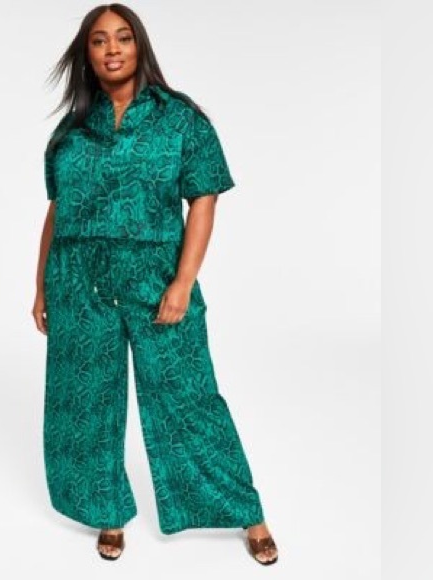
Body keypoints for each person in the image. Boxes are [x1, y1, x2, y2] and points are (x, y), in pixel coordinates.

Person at [32, 3, 279, 566]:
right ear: (87, 54)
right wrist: (42, 286)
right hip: (78, 284)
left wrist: (183, 282)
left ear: (139, 46)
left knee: (189, 397)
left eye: (123, 38)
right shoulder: (71, 131)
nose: (112, 49)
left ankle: (248, 512)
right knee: (86, 402)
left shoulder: (181, 120)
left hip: (156, 278)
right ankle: (108, 511)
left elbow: (204, 201)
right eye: (99, 40)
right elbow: (57, 211)